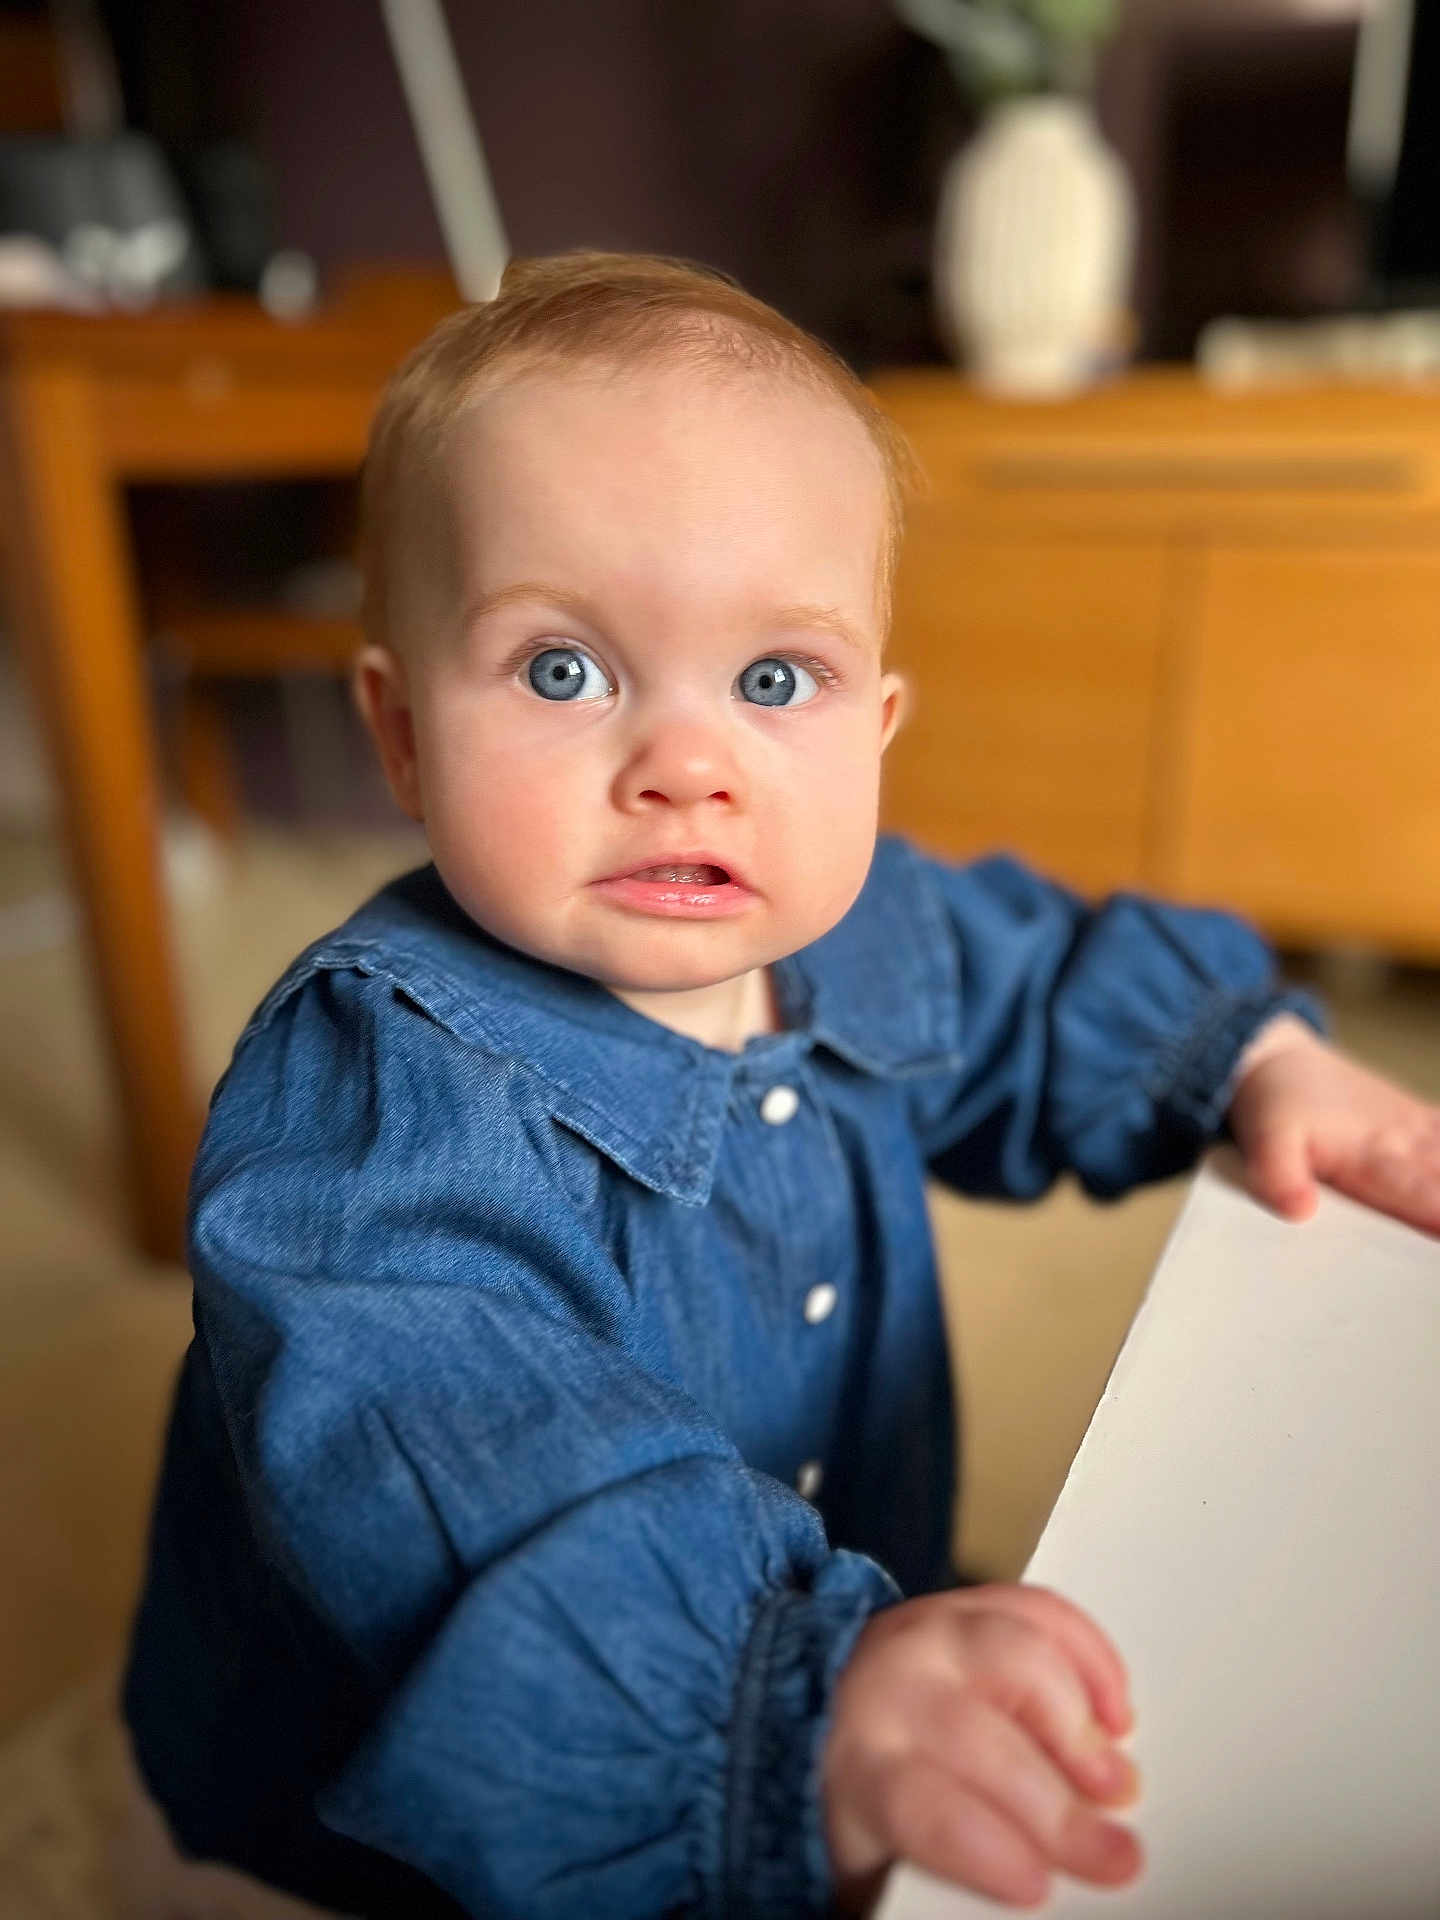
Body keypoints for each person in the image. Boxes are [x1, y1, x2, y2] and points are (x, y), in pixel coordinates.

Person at [122, 252, 1440, 1920]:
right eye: (562, 670)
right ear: (399, 732)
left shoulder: (861, 923)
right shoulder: (381, 1092)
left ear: (875, 728)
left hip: (822, 1622)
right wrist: (773, 1704)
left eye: (771, 682)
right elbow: (471, 1464)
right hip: (497, 1770)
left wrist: (1254, 1057)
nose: (688, 765)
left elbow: (1046, 984)